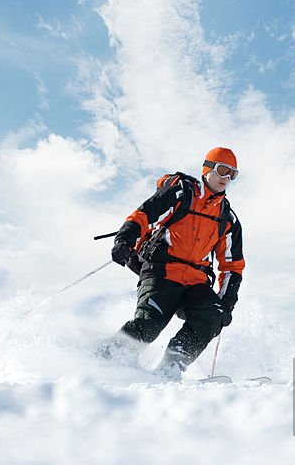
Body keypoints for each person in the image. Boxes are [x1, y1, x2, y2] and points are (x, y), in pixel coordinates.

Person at [98, 147, 245, 380]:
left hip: (195, 282)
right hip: (162, 272)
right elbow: (144, 215)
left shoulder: (227, 218)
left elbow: (232, 266)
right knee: (149, 324)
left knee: (213, 312)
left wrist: (226, 303)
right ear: (207, 169)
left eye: (232, 174)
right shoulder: (181, 193)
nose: (226, 178)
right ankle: (104, 360)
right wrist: (125, 240)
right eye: (222, 170)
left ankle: (172, 366)